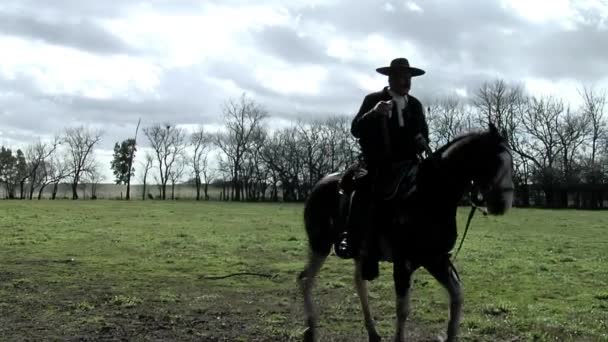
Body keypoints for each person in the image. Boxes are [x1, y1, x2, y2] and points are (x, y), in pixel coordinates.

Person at [335, 57, 431, 261]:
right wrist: (373, 113)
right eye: (401, 77)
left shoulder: (415, 105)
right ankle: (350, 238)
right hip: (378, 163)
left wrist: (422, 140)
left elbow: (424, 133)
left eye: (409, 77)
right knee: (363, 191)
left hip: (410, 163)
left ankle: (428, 241)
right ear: (391, 78)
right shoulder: (372, 99)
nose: (406, 81)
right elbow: (355, 130)